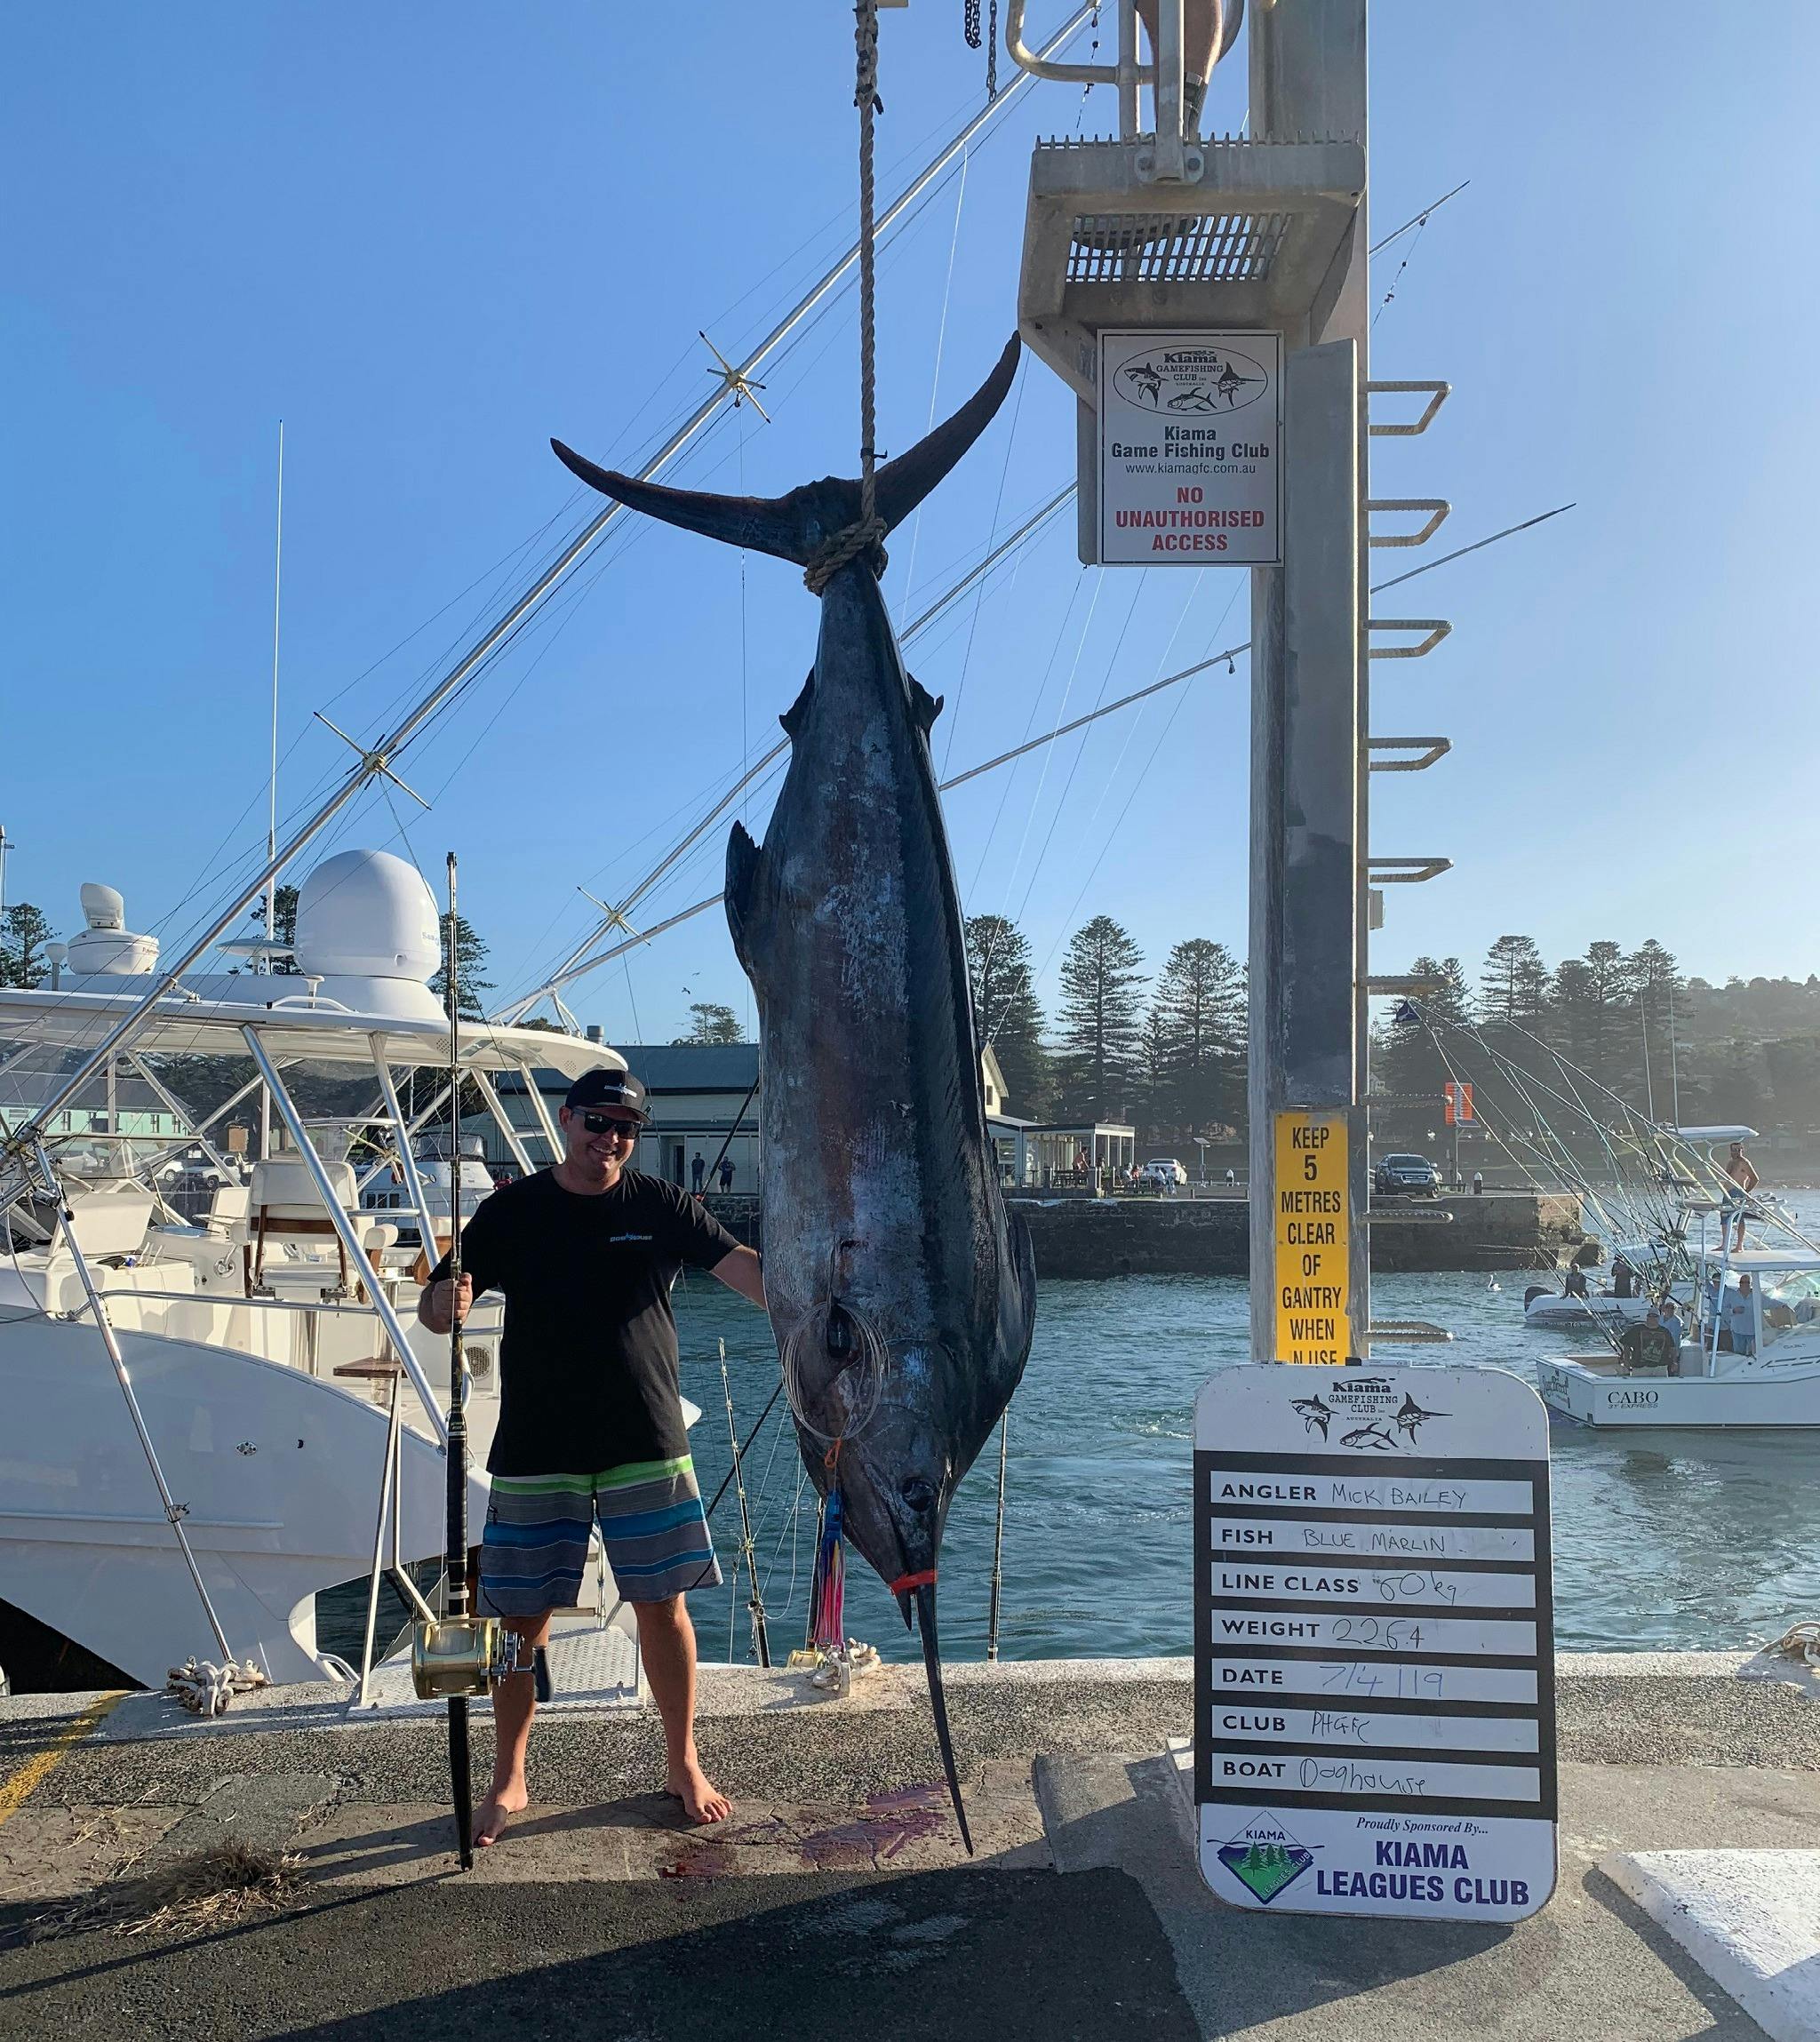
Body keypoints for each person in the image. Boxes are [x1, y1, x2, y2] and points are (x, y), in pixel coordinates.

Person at [419, 1067, 767, 1848]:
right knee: (519, 1621)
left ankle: (682, 1761)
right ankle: (511, 1771)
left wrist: (830, 1295)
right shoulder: (512, 1210)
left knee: (663, 1607)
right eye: (597, 1122)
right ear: (567, 1121)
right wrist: (444, 1304)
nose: (610, 1138)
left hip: (645, 1438)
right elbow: (437, 1306)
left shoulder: (660, 1205)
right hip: (538, 1447)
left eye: (625, 1128)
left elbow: (748, 1274)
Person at [1720, 1140, 1760, 1253]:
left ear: (1743, 1150)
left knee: (1739, 1218)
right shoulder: (1730, 1162)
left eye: (1739, 1149)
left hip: (1738, 1192)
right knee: (1724, 1217)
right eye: (1735, 1150)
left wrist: (1746, 1192)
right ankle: (1724, 1244)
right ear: (1730, 1150)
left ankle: (1739, 1245)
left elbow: (1755, 1178)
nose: (1737, 1152)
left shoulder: (1744, 1162)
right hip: (1727, 1193)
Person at [1617, 1307, 1676, 1374]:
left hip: (1660, 1367)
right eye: (1650, 1316)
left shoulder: (1665, 1331)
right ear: (1647, 1317)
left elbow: (1672, 1348)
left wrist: (1674, 1362)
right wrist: (1627, 1360)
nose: (1652, 1318)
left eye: (1655, 1316)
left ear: (1659, 1318)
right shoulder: (1637, 1329)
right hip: (1640, 1367)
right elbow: (1626, 1344)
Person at [1727, 1272, 1758, 1356]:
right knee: (1738, 1355)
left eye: (1746, 1282)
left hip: (1753, 1331)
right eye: (1741, 1282)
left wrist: (1783, 1305)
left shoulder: (1757, 1295)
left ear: (1750, 1284)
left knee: (1755, 1355)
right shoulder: (1732, 1295)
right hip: (1737, 1331)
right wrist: (1733, 1310)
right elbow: (1723, 1310)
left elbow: (1769, 1302)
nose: (1743, 1284)